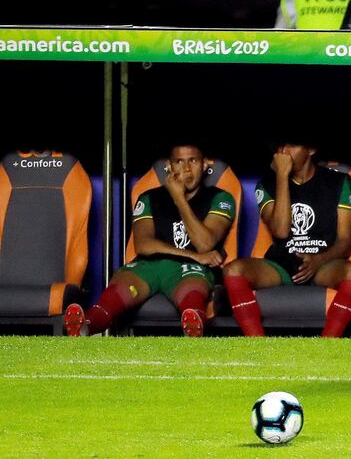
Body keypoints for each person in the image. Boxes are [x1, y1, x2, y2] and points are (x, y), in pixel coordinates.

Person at [64, 143, 235, 337]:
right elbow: (144, 245)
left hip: (189, 270)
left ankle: (194, 324)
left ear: (204, 165)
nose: (186, 168)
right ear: (169, 167)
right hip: (151, 265)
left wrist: (179, 199)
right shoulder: (149, 197)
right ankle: (86, 325)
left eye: (193, 161)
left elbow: (205, 243)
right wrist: (196, 256)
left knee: (193, 290)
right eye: (179, 161)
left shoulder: (220, 197)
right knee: (122, 284)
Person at [222, 137, 351, 337]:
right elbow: (281, 231)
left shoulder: (340, 182)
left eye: (292, 145)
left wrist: (318, 261)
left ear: (311, 149)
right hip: (281, 265)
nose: (284, 151)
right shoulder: (266, 184)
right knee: (233, 270)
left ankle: (328, 345)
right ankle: (256, 346)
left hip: (324, 264)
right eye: (280, 145)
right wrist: (281, 176)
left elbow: (345, 241)